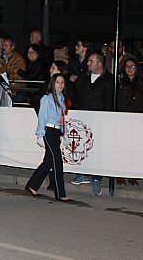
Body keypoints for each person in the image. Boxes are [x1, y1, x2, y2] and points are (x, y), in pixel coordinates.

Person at [69, 51, 113, 195]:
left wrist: (104, 117)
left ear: (100, 64)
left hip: (99, 120)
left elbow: (109, 101)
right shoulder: (83, 77)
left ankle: (96, 178)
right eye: (88, 61)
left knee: (97, 149)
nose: (88, 63)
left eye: (91, 61)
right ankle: (83, 173)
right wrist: (77, 109)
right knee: (83, 146)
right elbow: (74, 93)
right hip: (83, 118)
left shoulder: (109, 80)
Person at [25, 74, 71, 202]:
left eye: (62, 82)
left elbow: (62, 119)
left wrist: (64, 134)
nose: (60, 84)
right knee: (57, 161)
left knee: (49, 162)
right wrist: (40, 135)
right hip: (49, 131)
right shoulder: (47, 98)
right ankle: (60, 193)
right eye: (58, 82)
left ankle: (32, 185)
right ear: (52, 83)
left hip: (56, 131)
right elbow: (42, 117)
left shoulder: (61, 98)